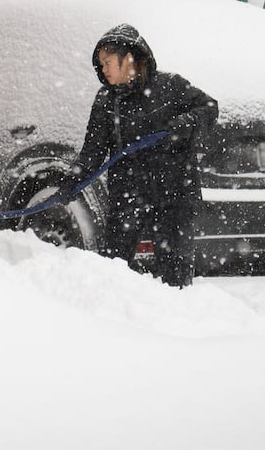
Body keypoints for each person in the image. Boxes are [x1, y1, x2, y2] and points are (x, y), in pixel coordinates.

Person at [73, 24, 217, 287]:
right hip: (128, 193)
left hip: (174, 192)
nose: (103, 70)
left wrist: (187, 123)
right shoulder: (106, 100)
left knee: (174, 274)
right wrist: (73, 180)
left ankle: (176, 305)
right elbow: (93, 151)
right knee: (114, 266)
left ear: (128, 58)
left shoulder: (170, 86)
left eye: (108, 62)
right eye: (101, 64)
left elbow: (209, 107)